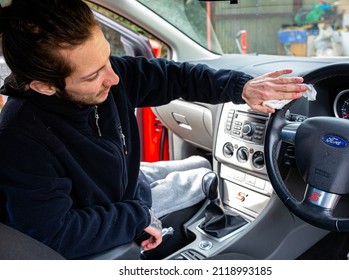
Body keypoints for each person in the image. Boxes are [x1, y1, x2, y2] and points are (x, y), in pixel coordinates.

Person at [0, 0, 308, 259]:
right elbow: (54, 233)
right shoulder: (21, 140)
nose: (114, 78)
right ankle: (201, 181)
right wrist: (137, 217)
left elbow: (174, 77)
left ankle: (195, 172)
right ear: (45, 87)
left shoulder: (110, 73)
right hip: (111, 211)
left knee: (195, 164)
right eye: (94, 75)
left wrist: (241, 87)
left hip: (122, 184)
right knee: (200, 182)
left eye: (108, 58)